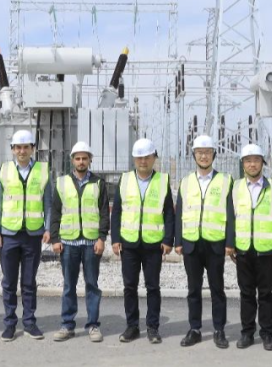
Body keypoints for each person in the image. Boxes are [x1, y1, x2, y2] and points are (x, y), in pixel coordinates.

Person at [0, 129, 53, 341]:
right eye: (18, 147)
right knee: (9, 282)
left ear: (33, 149)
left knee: (28, 282)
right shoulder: (3, 170)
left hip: (32, 235)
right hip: (9, 235)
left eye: (26, 147)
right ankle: (9, 324)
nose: (22, 151)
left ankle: (29, 323)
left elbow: (48, 203)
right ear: (12, 149)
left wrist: (48, 228)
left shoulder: (42, 171)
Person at [111, 138, 175, 344]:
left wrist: (168, 240)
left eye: (147, 157)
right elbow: (117, 211)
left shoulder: (162, 181)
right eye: (139, 158)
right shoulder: (125, 180)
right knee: (129, 286)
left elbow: (169, 213)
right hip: (128, 243)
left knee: (153, 287)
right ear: (134, 159)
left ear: (154, 158)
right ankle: (132, 326)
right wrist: (115, 239)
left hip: (153, 244)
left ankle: (152, 327)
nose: (143, 161)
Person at [227, 143, 272, 351]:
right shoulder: (235, 187)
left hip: (266, 250)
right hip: (243, 249)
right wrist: (230, 244)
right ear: (243, 164)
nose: (252, 164)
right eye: (248, 161)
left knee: (265, 294)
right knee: (246, 293)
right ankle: (247, 333)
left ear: (262, 163)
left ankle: (267, 334)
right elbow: (231, 218)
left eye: (256, 160)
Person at [176, 134, 233, 349]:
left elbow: (230, 214)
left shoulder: (225, 181)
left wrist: (230, 242)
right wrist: (178, 241)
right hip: (191, 243)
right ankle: (195, 329)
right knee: (193, 289)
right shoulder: (186, 182)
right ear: (194, 155)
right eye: (199, 152)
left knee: (217, 289)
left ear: (213, 155)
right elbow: (180, 212)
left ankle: (219, 329)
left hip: (215, 243)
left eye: (207, 152)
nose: (203, 156)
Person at [49, 141, 110, 342]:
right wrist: (55, 239)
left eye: (84, 158)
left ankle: (93, 325)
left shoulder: (99, 183)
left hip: (92, 243)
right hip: (68, 243)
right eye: (78, 158)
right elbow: (55, 212)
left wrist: (102, 238)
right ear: (72, 160)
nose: (81, 161)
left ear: (90, 160)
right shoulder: (61, 183)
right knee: (69, 285)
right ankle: (67, 325)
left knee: (92, 285)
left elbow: (104, 213)